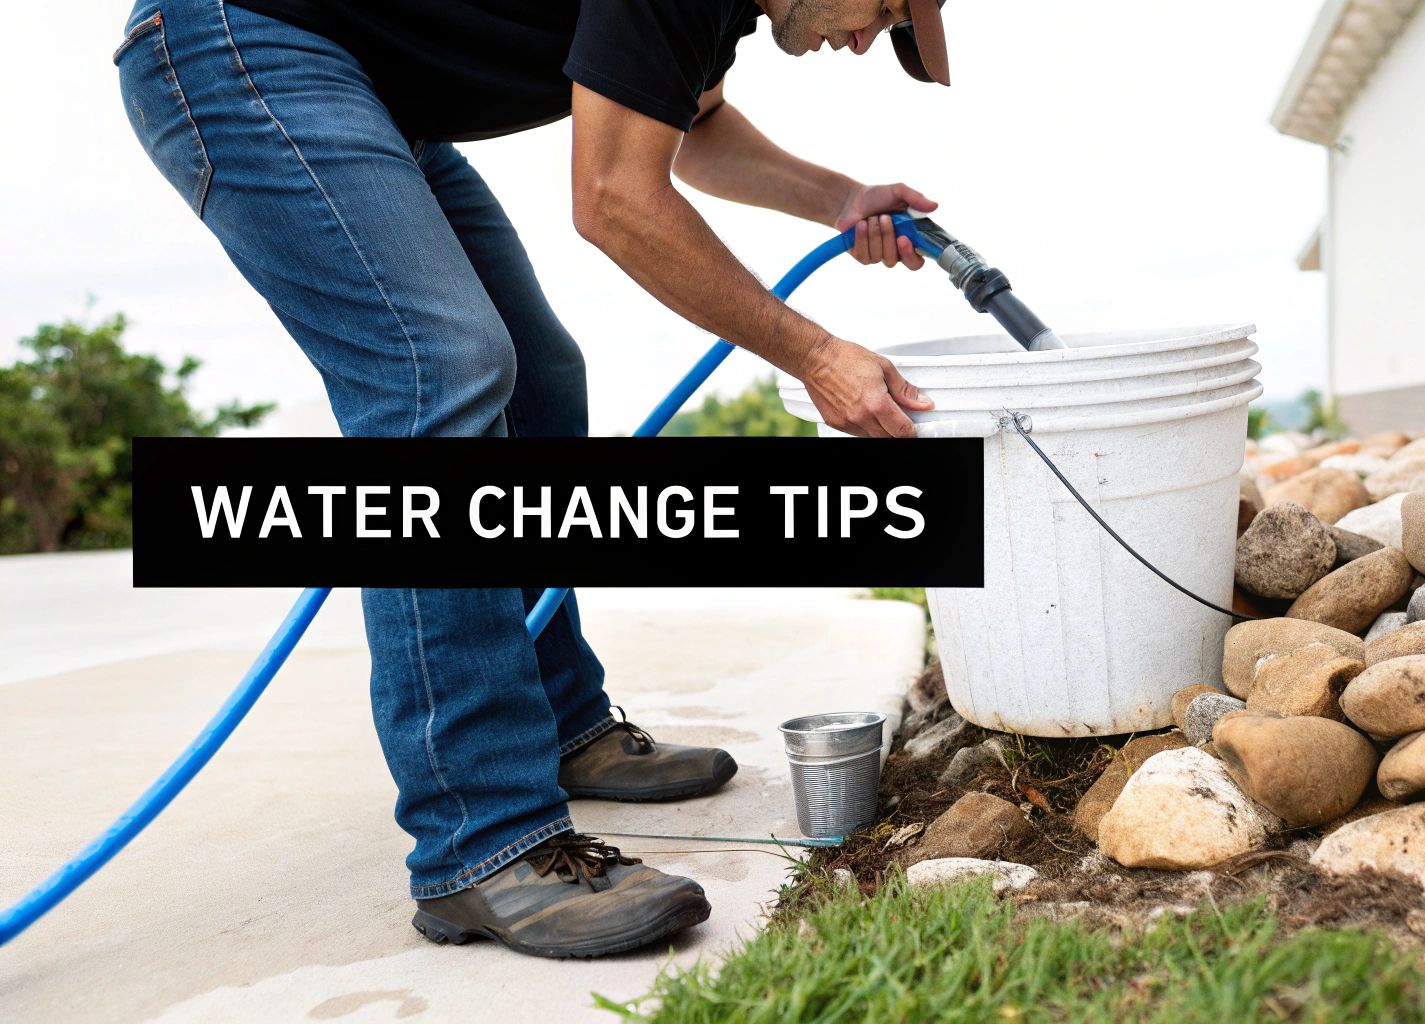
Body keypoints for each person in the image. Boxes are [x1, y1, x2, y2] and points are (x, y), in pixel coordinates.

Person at [114, 0, 953, 958]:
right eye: (887, 6)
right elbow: (615, 199)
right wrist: (811, 353)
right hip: (241, 44)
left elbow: (696, 132)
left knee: (538, 372)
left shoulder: (713, 11)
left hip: (365, 90)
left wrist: (839, 199)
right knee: (438, 368)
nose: (870, 38)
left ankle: (560, 726)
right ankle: (483, 839)